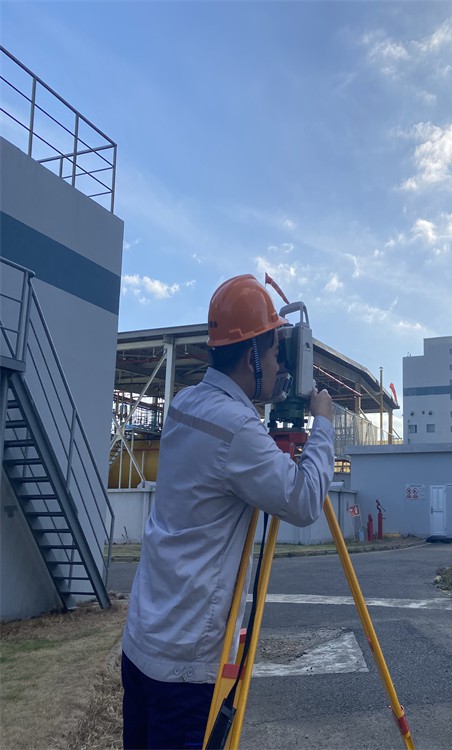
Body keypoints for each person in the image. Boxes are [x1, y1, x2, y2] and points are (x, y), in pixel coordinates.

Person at [121, 274, 334, 749]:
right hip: (186, 667)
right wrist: (322, 424)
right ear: (252, 355)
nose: (281, 367)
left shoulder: (185, 404)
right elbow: (303, 502)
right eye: (277, 354)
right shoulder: (238, 428)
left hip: (142, 643)